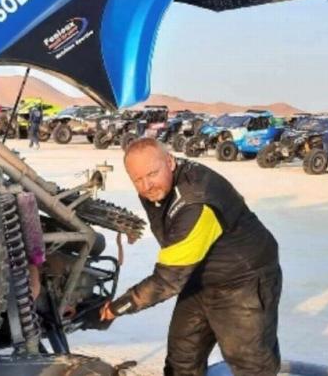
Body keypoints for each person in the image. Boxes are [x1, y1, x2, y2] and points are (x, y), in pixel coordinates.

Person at [85, 138, 282, 376]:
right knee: (182, 358)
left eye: (152, 174)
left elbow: (168, 279)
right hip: (198, 277)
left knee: (250, 363)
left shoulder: (195, 202)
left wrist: (118, 307)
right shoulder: (158, 187)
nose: (146, 185)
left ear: (170, 161)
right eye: (137, 179)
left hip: (242, 281)